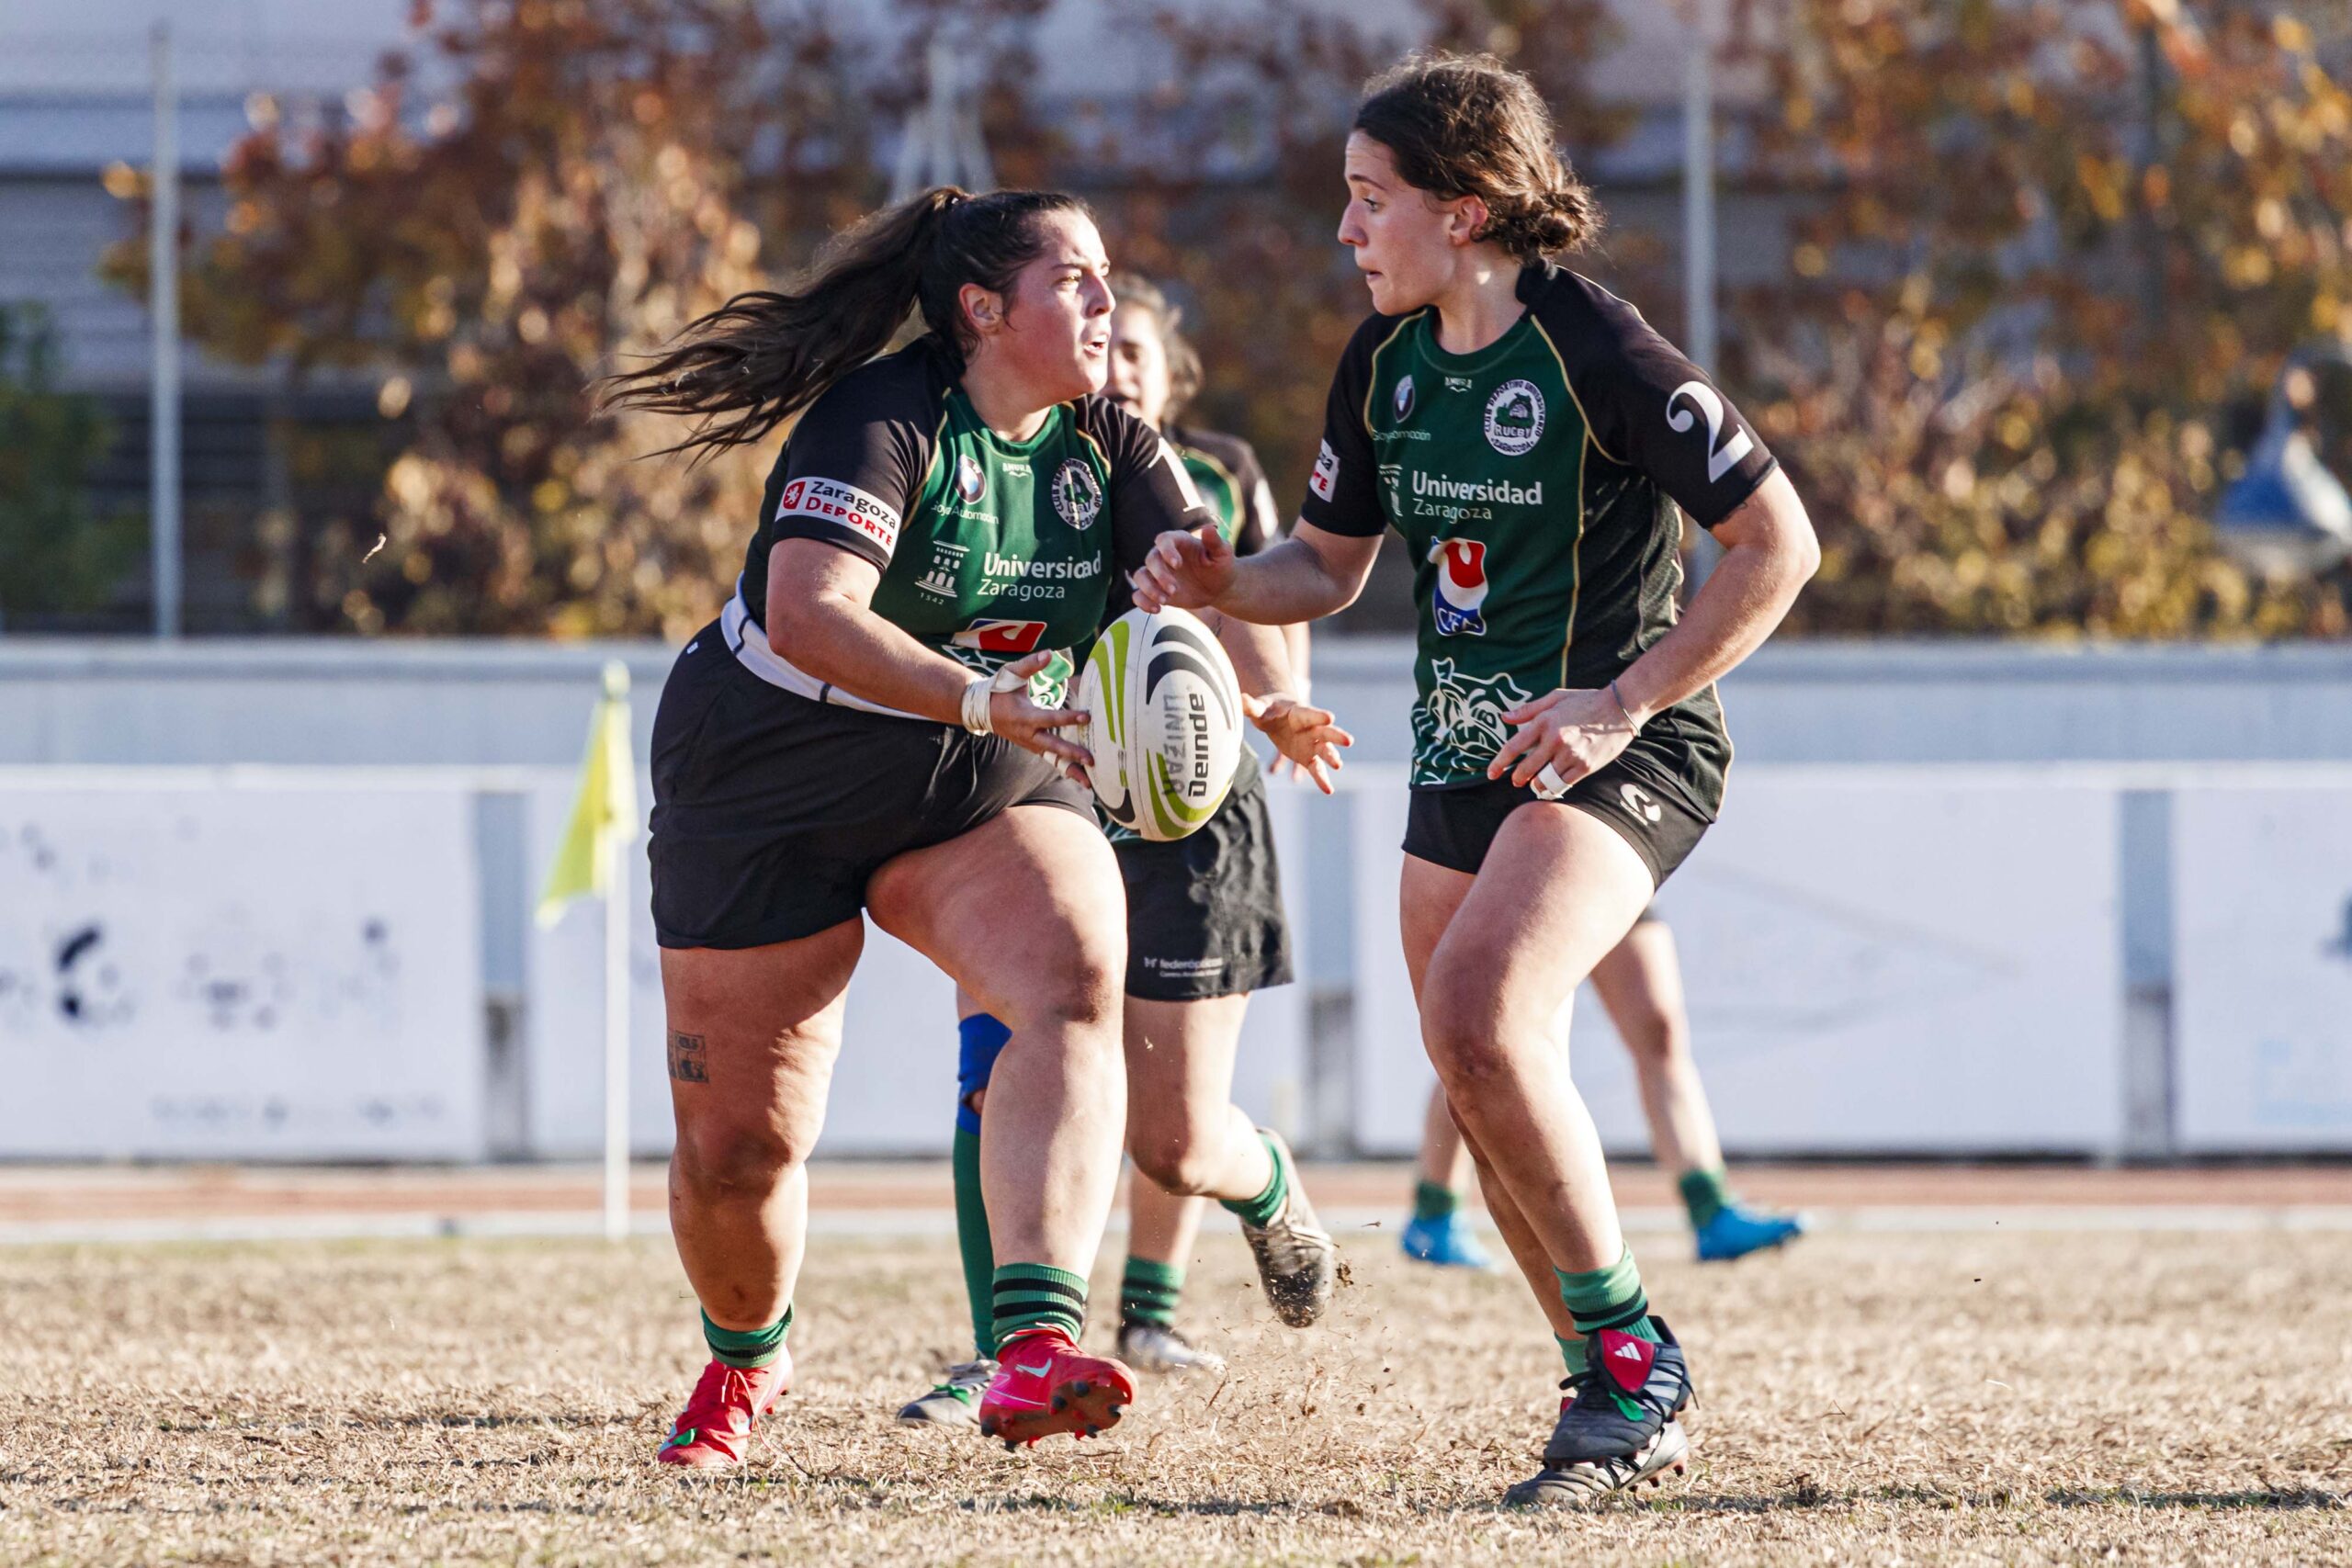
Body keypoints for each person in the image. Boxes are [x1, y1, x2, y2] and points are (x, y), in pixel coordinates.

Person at [1133, 53, 1820, 1506]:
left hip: (1624, 748)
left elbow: (1780, 545)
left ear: (1470, 206)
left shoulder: (1598, 347)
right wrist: (1216, 578)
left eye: (1370, 199)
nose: (1347, 230)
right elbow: (1319, 568)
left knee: (1481, 1013)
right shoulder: (1381, 360)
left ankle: (1636, 1366)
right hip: (1461, 758)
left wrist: (1623, 700)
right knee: (1478, 1063)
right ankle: (1608, 1382)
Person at [601, 186, 1343, 1468]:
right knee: (740, 1150)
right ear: (984, 309)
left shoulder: (1110, 439)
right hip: (770, 767)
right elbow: (807, 610)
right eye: (1078, 280)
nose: (1108, 303)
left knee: (1070, 966)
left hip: (980, 770)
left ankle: (1035, 1345)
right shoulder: (884, 416)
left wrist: (1263, 698)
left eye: (1112, 276)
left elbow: (1201, 594)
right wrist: (979, 693)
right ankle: (747, 1353)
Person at [899, 274, 1344, 1427]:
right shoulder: (1015, 459)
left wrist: (1275, 706)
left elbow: (1242, 606)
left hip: (1193, 812)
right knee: (993, 1065)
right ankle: (1011, 1351)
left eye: (1138, 348)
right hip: (1046, 789)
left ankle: (1264, 1185)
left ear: (1168, 375)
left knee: (1176, 1140)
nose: (1120, 362)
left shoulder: (1195, 476)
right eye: (1107, 340)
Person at [1404, 912, 1804, 1269]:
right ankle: (1434, 1214)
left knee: (1658, 1031)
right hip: (1510, 860)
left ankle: (1711, 1211)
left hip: (1597, 840)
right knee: (1485, 1039)